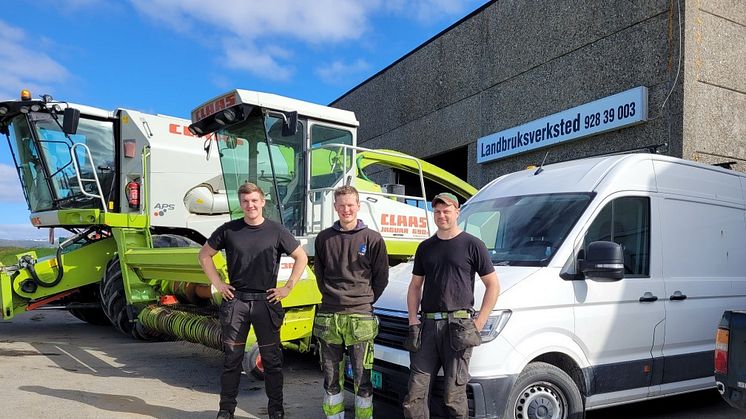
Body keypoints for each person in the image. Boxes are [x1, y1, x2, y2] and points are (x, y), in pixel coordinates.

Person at [199, 182, 308, 419]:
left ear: (262, 202)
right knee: (231, 359)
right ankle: (226, 411)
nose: (250, 205)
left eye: (254, 201)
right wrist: (218, 284)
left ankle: (276, 410)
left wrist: (288, 288)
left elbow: (301, 257)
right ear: (241, 203)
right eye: (246, 201)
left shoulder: (277, 231)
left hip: (266, 302)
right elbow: (204, 255)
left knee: (271, 360)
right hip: (236, 302)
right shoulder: (228, 230)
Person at [402, 192, 500, 419]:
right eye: (437, 211)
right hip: (426, 328)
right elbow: (415, 286)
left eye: (447, 211)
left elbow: (493, 285)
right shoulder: (425, 247)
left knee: (453, 396)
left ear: (457, 212)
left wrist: (478, 323)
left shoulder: (473, 245)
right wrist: (413, 320)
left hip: (459, 328)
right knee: (415, 393)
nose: (441, 215)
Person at [313, 185, 389, 419]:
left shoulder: (373, 239)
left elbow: (381, 277)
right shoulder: (324, 238)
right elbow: (320, 274)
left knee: (362, 378)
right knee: (330, 377)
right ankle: (334, 416)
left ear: (358, 206)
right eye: (341, 205)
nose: (346, 209)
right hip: (330, 317)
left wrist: (363, 300)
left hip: (361, 318)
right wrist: (333, 297)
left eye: (350, 205)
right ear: (335, 207)